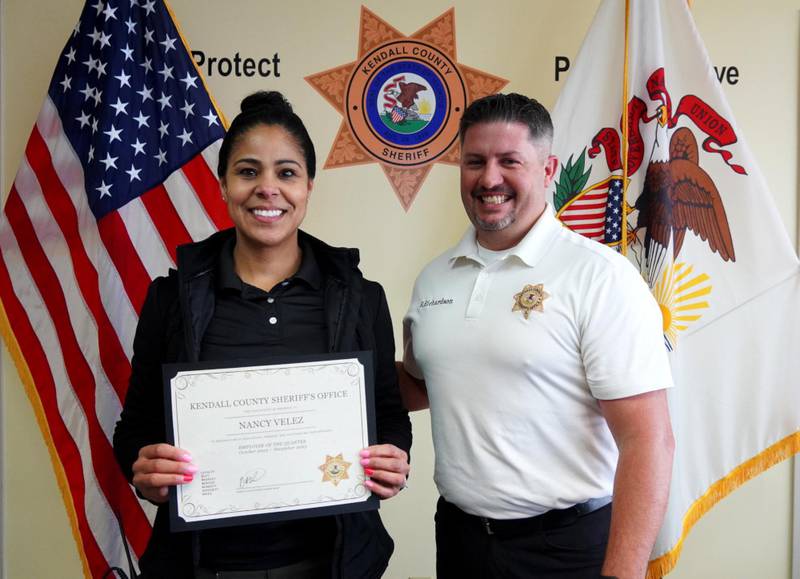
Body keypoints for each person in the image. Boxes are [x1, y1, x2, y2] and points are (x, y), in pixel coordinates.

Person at [113, 91, 411, 579]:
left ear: (308, 187)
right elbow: (136, 427)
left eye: (286, 173)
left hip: (331, 564)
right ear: (223, 186)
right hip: (204, 567)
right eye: (248, 172)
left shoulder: (361, 296)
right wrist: (145, 471)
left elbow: (388, 414)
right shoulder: (172, 297)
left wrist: (395, 459)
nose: (267, 188)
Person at [400, 93, 674, 579]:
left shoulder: (599, 277)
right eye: (475, 162)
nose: (489, 179)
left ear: (548, 170)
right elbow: (425, 384)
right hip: (462, 541)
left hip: (566, 549)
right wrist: (317, 386)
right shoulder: (433, 278)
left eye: (510, 161)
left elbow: (647, 440)